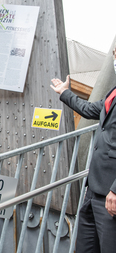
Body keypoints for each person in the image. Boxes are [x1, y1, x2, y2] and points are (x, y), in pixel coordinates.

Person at [51, 72, 116, 252]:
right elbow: (89, 109)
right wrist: (65, 92)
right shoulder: (113, 93)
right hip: (94, 189)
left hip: (111, 194)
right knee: (86, 246)